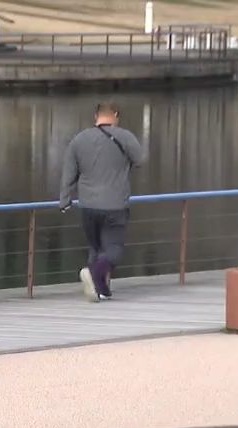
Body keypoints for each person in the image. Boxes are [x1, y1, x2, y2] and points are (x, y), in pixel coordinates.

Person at [59, 102, 145, 302]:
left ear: (95, 116)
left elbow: (68, 173)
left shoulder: (78, 140)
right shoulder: (125, 136)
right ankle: (95, 276)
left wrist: (64, 200)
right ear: (115, 115)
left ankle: (101, 291)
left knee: (95, 248)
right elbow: (140, 160)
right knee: (113, 249)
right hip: (115, 204)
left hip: (87, 205)